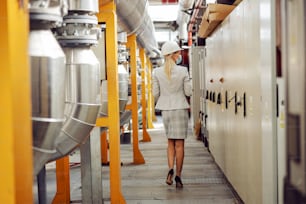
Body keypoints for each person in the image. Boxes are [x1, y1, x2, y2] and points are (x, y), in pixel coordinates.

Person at [152, 41, 192, 188]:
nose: (180, 54)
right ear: (173, 55)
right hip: (180, 108)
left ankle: (170, 169)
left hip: (166, 110)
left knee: (170, 143)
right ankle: (178, 176)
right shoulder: (183, 71)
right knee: (180, 144)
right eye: (178, 52)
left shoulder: (157, 72)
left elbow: (155, 94)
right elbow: (188, 92)